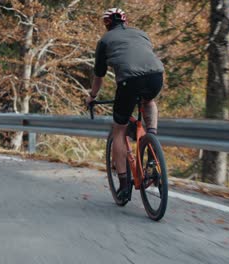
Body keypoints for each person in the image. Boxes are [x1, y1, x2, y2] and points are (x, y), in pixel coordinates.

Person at [85, 8, 164, 199]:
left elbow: (99, 76)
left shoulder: (105, 41)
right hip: (156, 76)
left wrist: (92, 96)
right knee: (149, 101)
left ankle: (124, 185)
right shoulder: (142, 34)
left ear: (106, 24)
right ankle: (151, 141)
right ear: (125, 21)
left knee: (119, 130)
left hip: (129, 82)